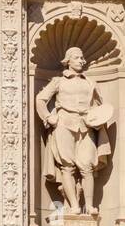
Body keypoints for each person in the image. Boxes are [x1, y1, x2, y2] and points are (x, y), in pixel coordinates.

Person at [36, 46, 114, 215]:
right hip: (64, 124)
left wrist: (98, 119)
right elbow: (40, 99)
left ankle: (90, 205)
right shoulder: (58, 81)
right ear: (68, 61)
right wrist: (49, 117)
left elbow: (99, 106)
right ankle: (74, 206)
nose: (81, 60)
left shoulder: (90, 83)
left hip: (85, 125)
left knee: (87, 166)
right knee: (67, 166)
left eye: (82, 58)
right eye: (77, 58)